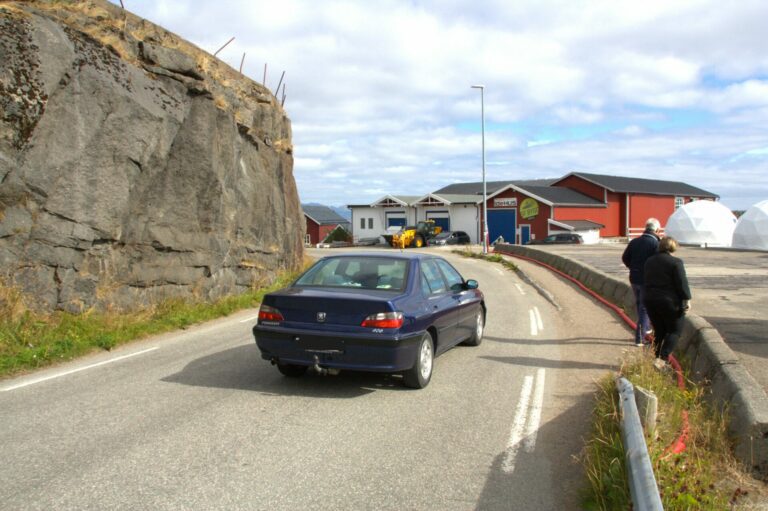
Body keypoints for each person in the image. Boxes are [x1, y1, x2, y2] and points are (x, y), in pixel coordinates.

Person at [643, 236, 692, 365]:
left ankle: (656, 356)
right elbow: (682, 283)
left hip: (650, 299)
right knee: (675, 330)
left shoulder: (649, 261)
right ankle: (663, 359)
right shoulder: (675, 262)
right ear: (672, 247)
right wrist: (687, 299)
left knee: (659, 331)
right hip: (669, 301)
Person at [622, 218, 661, 346]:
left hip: (634, 277)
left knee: (640, 305)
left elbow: (625, 257)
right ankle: (640, 337)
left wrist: (632, 267)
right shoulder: (655, 244)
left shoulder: (635, 241)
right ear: (656, 230)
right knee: (645, 308)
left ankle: (646, 327)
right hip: (647, 280)